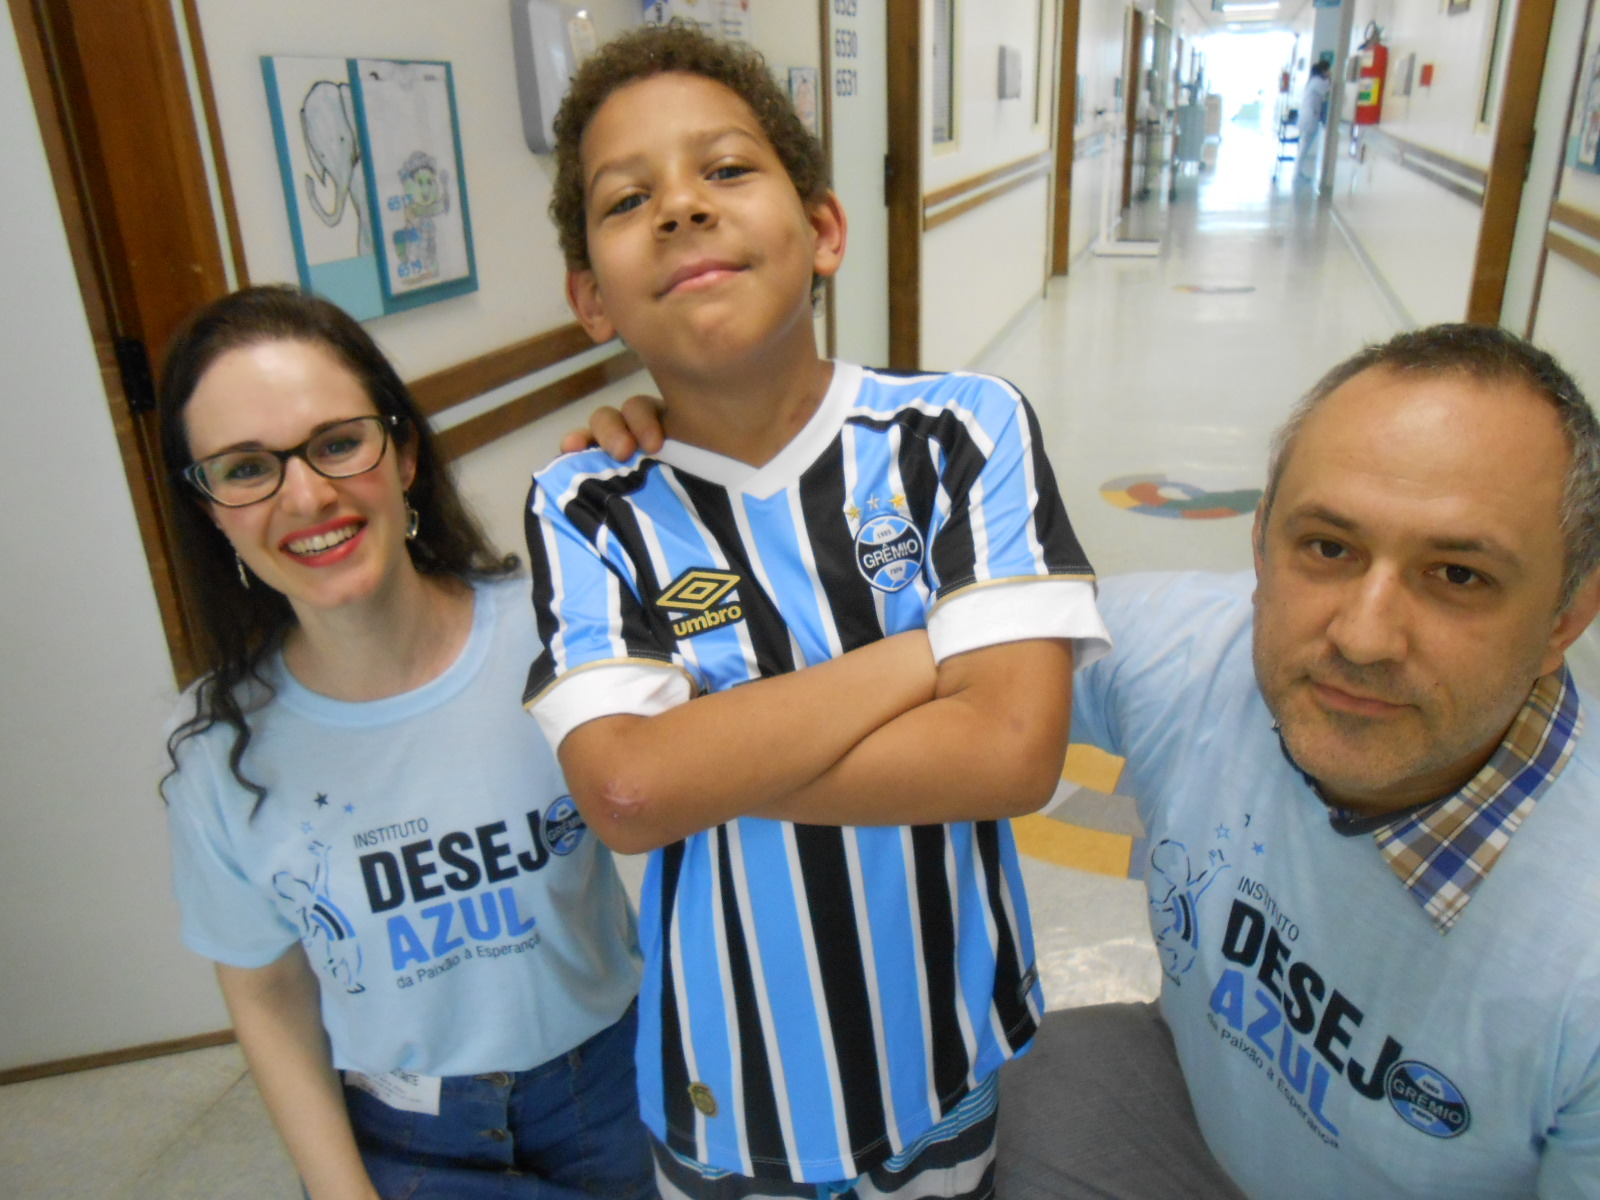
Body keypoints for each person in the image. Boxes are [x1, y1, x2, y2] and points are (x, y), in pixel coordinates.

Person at [526, 24, 1110, 1200]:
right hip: (731, 1077)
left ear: (825, 231)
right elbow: (629, 794)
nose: (683, 209)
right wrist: (920, 655)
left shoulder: (959, 433)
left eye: (728, 170)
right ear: (591, 296)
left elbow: (1008, 753)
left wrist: (703, 750)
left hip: (947, 1039)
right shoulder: (588, 501)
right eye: (629, 197)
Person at [993, 324, 1600, 1199]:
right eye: (1327, 548)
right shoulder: (1194, 653)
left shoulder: (1577, 960)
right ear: (1260, 546)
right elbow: (958, 660)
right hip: (1185, 1109)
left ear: (1566, 619)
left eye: (1458, 576)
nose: (1362, 636)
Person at [156, 285, 653, 1200]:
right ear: (210, 509)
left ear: (405, 451)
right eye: (244, 469)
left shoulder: (559, 636)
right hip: (408, 1138)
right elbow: (266, 995)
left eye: (339, 444)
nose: (306, 496)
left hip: (618, 1085)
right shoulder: (219, 752)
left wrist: (674, 464)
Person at [1296, 60, 1332, 182]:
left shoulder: (1313, 81)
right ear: (1323, 71)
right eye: (1328, 70)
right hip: (1309, 118)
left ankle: (1298, 173)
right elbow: (1329, 89)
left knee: (1304, 148)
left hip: (1309, 117)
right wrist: (1330, 78)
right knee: (1304, 148)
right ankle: (1297, 174)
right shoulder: (1318, 82)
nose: (1329, 72)